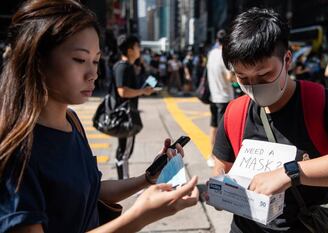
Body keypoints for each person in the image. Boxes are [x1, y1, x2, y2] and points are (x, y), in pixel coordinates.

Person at [0, 1, 199, 232]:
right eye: (80, 60)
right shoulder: (14, 149)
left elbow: (92, 191)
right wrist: (139, 216)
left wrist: (147, 178)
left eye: (96, 60)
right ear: (38, 60)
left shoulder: (72, 121)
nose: (93, 73)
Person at [211, 8, 328, 232]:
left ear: (287, 59)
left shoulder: (323, 104)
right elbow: (222, 167)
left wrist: (289, 173)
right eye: (242, 77)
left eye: (265, 75)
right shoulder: (235, 112)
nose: (254, 86)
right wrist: (221, 191)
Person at [113, 35, 155, 180]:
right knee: (124, 151)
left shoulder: (127, 67)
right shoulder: (123, 67)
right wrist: (142, 91)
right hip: (126, 116)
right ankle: (123, 182)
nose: (140, 49)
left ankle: (123, 180)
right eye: (137, 47)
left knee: (124, 150)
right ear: (130, 50)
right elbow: (122, 91)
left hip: (128, 113)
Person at [206, 29, 234, 167]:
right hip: (224, 98)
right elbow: (229, 77)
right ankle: (218, 159)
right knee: (223, 131)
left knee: (214, 127)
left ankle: (211, 155)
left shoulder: (211, 54)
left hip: (213, 96)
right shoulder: (225, 55)